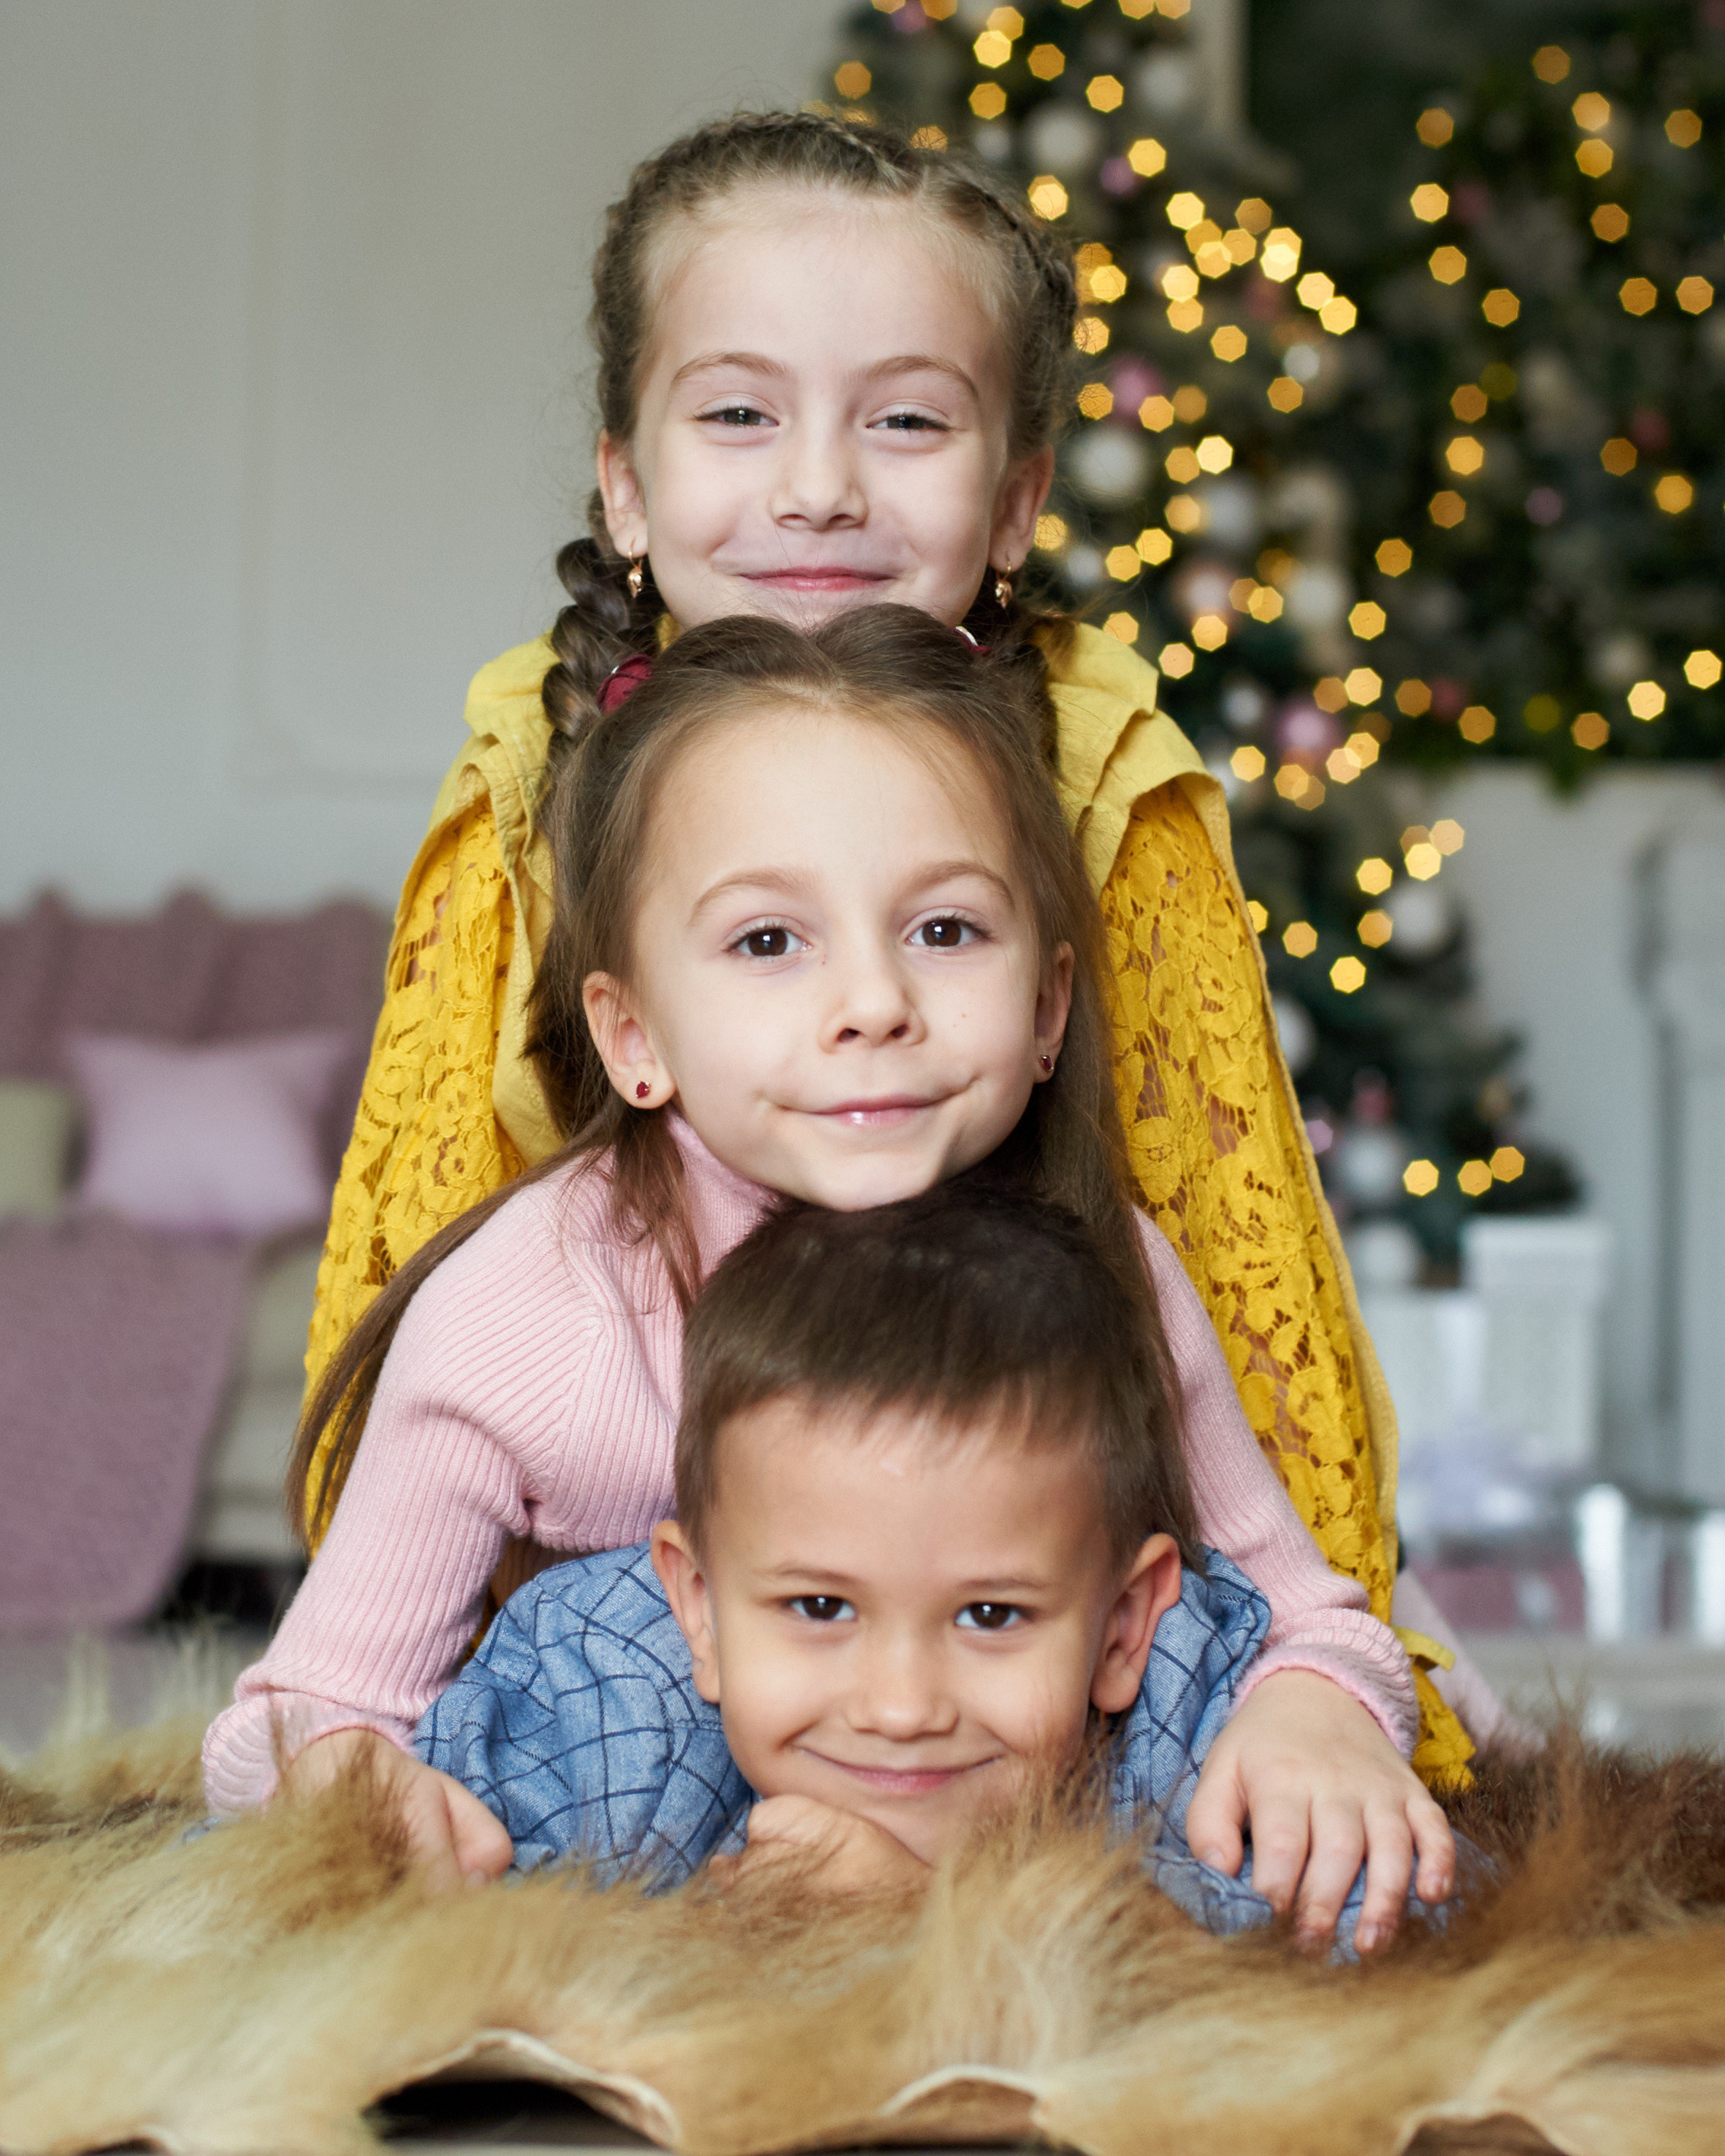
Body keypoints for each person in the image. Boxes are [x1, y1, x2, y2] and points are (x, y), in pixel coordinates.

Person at [293, 110, 1472, 1784]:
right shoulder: (531, 772)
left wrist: (1324, 1672)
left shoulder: (1097, 776)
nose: (822, 483)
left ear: (1013, 502)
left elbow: (1228, 1223)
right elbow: (435, 1186)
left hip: (1027, 1515)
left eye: (906, 417)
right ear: (624, 484)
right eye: (739, 413)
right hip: (644, 1548)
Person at [202, 608, 1450, 1947]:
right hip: (635, 1836)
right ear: (632, 1035)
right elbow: (298, 1708)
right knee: (628, 1655)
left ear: (1046, 1009)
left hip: (1019, 1806)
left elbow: (1302, 1612)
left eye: (947, 929)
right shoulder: (523, 1316)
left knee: (1203, 1682)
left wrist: (1315, 1704)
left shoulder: (1108, 1270)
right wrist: (339, 1771)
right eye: (766, 942)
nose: (872, 1002)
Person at [418, 1181, 1453, 1956]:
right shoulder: (604, 1688)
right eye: (820, 1605)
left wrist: (948, 1921)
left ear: (1124, 1626)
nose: (901, 1707)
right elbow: (392, 1924)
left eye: (991, 1615)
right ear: (697, 1606)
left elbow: (1406, 1941)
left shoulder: (1194, 1705)